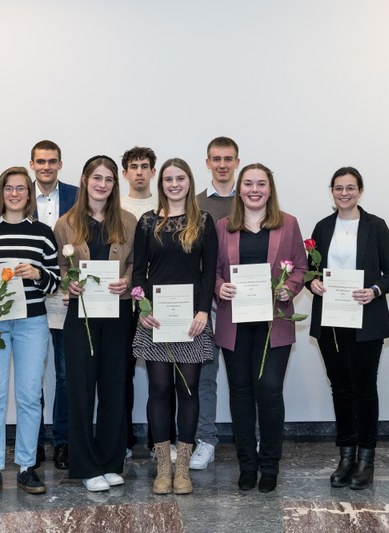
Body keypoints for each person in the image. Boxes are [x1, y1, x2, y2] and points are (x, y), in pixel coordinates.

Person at [0, 166, 60, 498]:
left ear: (29, 193)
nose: (15, 193)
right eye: (9, 188)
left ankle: (25, 467)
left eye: (21, 188)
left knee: (29, 396)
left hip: (32, 324)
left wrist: (37, 273)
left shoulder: (43, 232)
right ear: (0, 192)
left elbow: (56, 281)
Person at [306, 167, 389, 490]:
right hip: (331, 321)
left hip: (366, 320)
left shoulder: (376, 226)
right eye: (338, 188)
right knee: (341, 388)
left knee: (364, 388)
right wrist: (314, 283)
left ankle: (366, 459)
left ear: (360, 191)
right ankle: (345, 457)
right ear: (331, 191)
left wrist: (374, 290)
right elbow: (309, 271)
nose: (344, 193)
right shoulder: (322, 227)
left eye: (350, 188)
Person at [214, 163, 307, 493]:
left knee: (268, 390)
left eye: (261, 184)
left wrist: (289, 288)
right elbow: (212, 270)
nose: (255, 189)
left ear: (270, 189)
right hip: (234, 323)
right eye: (249, 183)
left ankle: (270, 464)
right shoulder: (224, 226)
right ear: (239, 189)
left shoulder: (289, 224)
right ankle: (247, 464)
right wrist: (219, 286)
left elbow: (300, 266)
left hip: (274, 322)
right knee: (240, 395)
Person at [132, 158, 217, 495]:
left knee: (189, 390)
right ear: (160, 183)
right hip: (156, 318)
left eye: (180, 178)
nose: (173, 184)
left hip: (191, 321)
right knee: (159, 389)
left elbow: (209, 271)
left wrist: (203, 312)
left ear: (189, 181)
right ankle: (162, 468)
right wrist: (142, 306)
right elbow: (139, 272)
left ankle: (183, 469)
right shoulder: (147, 222)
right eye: (168, 179)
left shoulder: (204, 221)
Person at [53, 155, 137, 492]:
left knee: (115, 387)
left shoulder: (129, 221)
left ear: (115, 185)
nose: (102, 184)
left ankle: (110, 461)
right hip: (82, 315)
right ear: (85, 179)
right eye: (96, 178)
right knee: (81, 389)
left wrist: (128, 282)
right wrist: (67, 283)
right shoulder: (65, 224)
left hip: (118, 313)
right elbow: (59, 267)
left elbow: (134, 264)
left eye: (109, 179)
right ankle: (86, 466)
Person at [119, 146, 177, 461]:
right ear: (125, 172)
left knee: (164, 377)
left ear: (153, 172)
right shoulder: (116, 208)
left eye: (145, 166)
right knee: (124, 374)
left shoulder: (168, 206)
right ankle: (125, 439)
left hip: (166, 307)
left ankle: (161, 442)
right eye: (133, 166)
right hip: (126, 306)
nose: (139, 172)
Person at [190, 136, 241, 470]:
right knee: (204, 378)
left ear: (237, 162)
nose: (222, 164)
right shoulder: (194, 205)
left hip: (241, 307)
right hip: (204, 309)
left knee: (243, 379)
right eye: (216, 158)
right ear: (207, 163)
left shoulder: (252, 199)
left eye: (228, 158)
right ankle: (205, 440)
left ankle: (248, 440)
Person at [30, 140, 78, 470]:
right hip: (30, 293)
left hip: (64, 293)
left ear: (60, 164)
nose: (46, 166)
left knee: (65, 374)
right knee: (32, 374)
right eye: (40, 161)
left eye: (52, 161)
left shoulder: (77, 196)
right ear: (32, 164)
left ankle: (62, 441)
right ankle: (32, 442)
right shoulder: (16, 194)